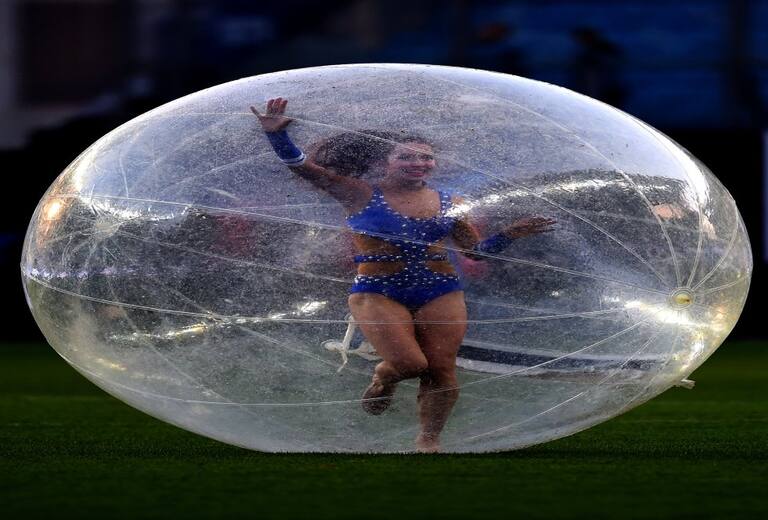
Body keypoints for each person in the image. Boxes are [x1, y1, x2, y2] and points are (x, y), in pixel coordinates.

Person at [251, 98, 555, 452]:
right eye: (406, 157)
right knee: (409, 364)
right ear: (386, 162)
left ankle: (429, 440)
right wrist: (277, 136)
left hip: (440, 289)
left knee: (441, 369)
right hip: (378, 291)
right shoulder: (359, 193)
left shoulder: (451, 202)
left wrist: (511, 234)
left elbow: (474, 252)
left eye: (425, 157)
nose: (418, 163)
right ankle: (386, 374)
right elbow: (304, 168)